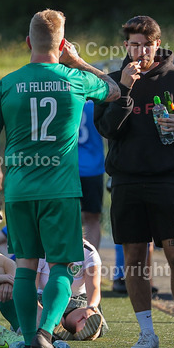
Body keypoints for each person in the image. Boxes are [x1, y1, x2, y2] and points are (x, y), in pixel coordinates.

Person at [0, 9, 120, 348]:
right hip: (60, 189)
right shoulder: (75, 79)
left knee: (25, 265)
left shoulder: (7, 84)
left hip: (21, 189)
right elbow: (115, 90)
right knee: (62, 265)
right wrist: (78, 60)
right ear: (61, 43)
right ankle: (45, 334)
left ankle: (29, 342)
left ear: (28, 42)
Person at [94, 15, 174, 348]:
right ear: (125, 46)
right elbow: (107, 130)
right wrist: (125, 89)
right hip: (126, 181)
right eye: (132, 44)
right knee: (134, 259)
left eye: (145, 44)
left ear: (157, 45)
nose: (139, 51)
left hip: (167, 180)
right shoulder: (113, 81)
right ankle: (147, 334)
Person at [41, 239, 109, 343]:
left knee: (88, 317)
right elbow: (32, 286)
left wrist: (91, 307)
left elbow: (94, 287)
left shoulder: (88, 251)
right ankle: (56, 324)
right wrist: (37, 308)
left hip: (77, 303)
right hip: (44, 301)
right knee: (41, 314)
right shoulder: (40, 250)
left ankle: (81, 328)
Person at [78, 99, 106, 251]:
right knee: (92, 220)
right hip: (92, 168)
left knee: (67, 217)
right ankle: (91, 263)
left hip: (67, 167)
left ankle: (70, 264)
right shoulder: (97, 103)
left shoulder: (66, 97)